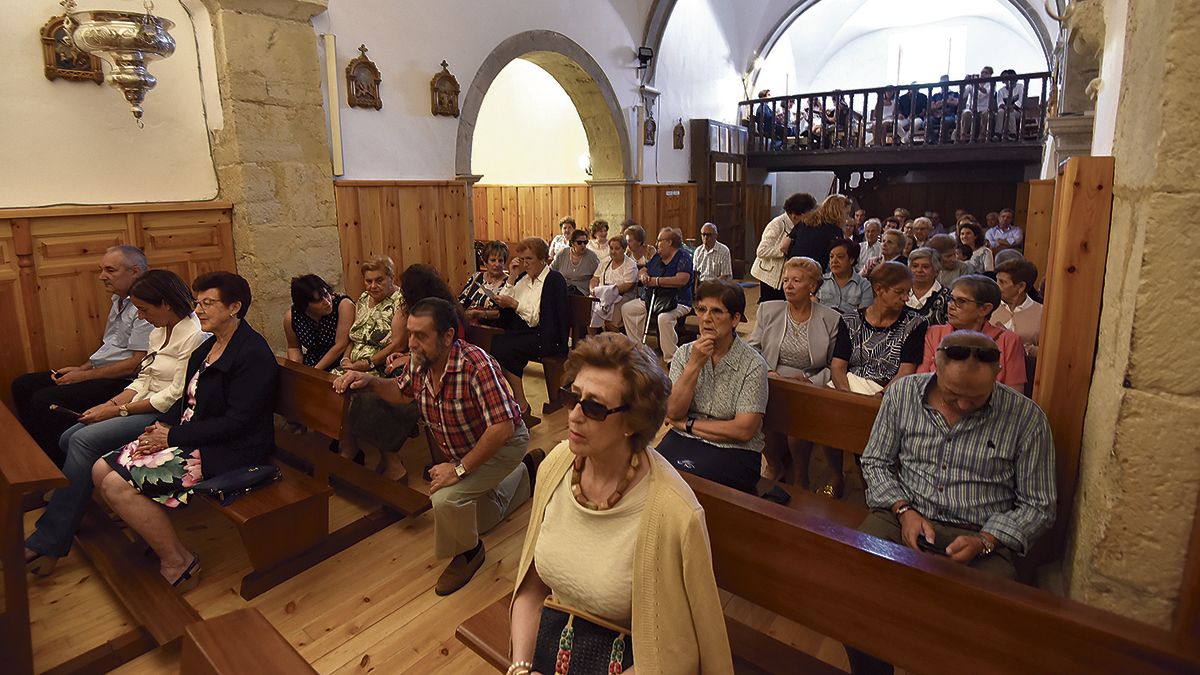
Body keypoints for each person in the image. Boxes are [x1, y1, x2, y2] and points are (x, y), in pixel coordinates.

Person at [508, 333, 732, 675]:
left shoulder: (674, 513)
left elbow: (674, 651)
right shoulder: (557, 464)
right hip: (553, 642)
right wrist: (521, 668)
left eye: (595, 407)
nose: (575, 416)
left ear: (634, 421)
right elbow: (531, 587)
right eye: (573, 397)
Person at [847, 331, 1056, 675]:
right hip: (904, 514)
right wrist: (903, 510)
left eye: (976, 399)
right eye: (953, 395)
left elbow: (1039, 505)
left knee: (978, 628)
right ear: (936, 369)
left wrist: (986, 540)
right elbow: (876, 462)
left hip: (981, 534)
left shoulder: (1026, 419)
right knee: (854, 591)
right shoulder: (903, 394)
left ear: (998, 374)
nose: (962, 406)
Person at [334, 298, 536, 596]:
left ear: (448, 336)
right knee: (480, 517)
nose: (412, 343)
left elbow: (502, 428)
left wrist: (458, 470)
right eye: (411, 334)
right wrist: (370, 381)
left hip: (504, 444)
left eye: (421, 335)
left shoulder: (477, 366)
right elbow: (403, 393)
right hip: (471, 445)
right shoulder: (421, 361)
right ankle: (528, 473)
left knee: (446, 499)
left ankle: (469, 553)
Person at [91, 272, 278, 590]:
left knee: (117, 486)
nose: (199, 309)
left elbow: (238, 424)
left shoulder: (252, 354)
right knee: (100, 469)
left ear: (234, 307)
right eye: (197, 302)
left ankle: (179, 561)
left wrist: (171, 437)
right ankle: (154, 533)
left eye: (208, 303)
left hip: (231, 450)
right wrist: (164, 428)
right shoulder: (207, 349)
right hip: (193, 438)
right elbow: (190, 403)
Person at [23, 270, 207, 576]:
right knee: (69, 436)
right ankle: (80, 499)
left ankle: (50, 538)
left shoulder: (196, 336)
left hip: (168, 414)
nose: (143, 317)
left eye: (146, 310)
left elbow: (175, 393)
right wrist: (110, 404)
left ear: (166, 304)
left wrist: (120, 412)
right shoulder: (159, 331)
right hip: (143, 402)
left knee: (82, 441)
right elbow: (144, 377)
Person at [11, 245, 152, 464]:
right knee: (23, 384)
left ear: (134, 271)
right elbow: (109, 347)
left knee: (44, 400)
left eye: (110, 270)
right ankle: (39, 463)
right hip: (99, 372)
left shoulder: (146, 305)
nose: (101, 277)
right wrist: (82, 369)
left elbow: (135, 363)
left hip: (123, 381)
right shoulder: (119, 299)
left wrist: (83, 377)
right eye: (101, 269)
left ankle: (57, 467)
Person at [658, 281, 768, 496]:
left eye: (717, 311)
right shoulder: (684, 353)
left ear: (735, 319)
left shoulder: (752, 364)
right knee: (651, 471)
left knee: (687, 484)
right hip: (685, 441)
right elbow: (673, 412)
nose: (706, 318)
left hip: (735, 451)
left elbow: (743, 430)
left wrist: (687, 424)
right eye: (701, 309)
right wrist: (694, 365)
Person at [747, 258, 847, 490]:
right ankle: (774, 464)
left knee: (797, 426)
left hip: (810, 384)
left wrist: (809, 381)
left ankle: (801, 476)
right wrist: (768, 372)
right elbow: (752, 349)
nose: (788, 286)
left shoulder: (831, 319)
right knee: (756, 415)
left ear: (812, 286)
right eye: (785, 280)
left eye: (796, 281)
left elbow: (835, 363)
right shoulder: (768, 310)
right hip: (772, 379)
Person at [493, 237, 570, 425]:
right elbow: (503, 302)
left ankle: (521, 404)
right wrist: (511, 276)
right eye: (522, 259)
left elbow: (537, 318)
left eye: (529, 259)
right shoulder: (523, 278)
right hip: (526, 332)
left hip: (547, 336)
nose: (524, 264)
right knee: (494, 344)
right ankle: (518, 404)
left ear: (543, 259)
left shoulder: (554, 280)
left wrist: (514, 304)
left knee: (503, 348)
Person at [917, 275, 1027, 391]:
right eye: (951, 299)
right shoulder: (934, 333)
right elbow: (921, 383)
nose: (951, 306)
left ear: (985, 309)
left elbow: (1014, 394)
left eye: (961, 301)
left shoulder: (1009, 341)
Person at [622, 228, 695, 363]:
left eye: (659, 241)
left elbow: (682, 280)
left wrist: (657, 281)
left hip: (678, 301)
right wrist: (643, 274)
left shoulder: (683, 257)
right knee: (628, 309)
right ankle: (639, 349)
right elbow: (645, 269)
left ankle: (671, 358)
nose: (656, 244)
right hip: (653, 299)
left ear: (669, 242)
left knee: (664, 318)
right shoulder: (657, 257)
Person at [336, 256, 406, 375]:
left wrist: (367, 364)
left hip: (378, 367)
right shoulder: (364, 298)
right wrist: (345, 358)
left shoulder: (401, 301)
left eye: (379, 281)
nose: (373, 286)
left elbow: (398, 345)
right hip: (352, 365)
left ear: (392, 278)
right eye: (368, 281)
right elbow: (355, 336)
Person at [751, 192, 816, 303]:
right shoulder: (777, 224)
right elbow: (761, 251)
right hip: (770, 277)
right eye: (806, 215)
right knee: (772, 308)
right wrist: (782, 250)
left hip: (785, 276)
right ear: (795, 215)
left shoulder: (801, 226)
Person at [284, 274, 354, 371]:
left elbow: (341, 345)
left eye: (326, 294)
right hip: (311, 362)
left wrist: (314, 371)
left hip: (340, 362)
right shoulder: (292, 317)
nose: (326, 302)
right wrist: (297, 370)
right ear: (305, 305)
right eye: (318, 300)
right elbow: (293, 347)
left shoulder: (343, 305)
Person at [992, 259, 1043, 357]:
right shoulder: (988, 306)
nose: (996, 286)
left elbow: (1049, 352)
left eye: (1002, 282)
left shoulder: (1042, 313)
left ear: (1021, 287)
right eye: (997, 280)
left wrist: (1021, 346)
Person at [786, 193, 850, 271]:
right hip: (813, 272)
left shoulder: (804, 222)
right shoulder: (835, 231)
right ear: (839, 213)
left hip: (792, 268)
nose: (847, 218)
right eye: (847, 213)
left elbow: (784, 245)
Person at [589, 235, 638, 332]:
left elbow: (628, 285)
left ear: (624, 249)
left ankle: (617, 344)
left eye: (617, 248)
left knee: (611, 323)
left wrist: (609, 292)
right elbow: (594, 279)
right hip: (602, 294)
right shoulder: (605, 262)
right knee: (588, 313)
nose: (613, 251)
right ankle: (594, 343)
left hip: (622, 295)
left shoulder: (630, 265)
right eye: (611, 248)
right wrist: (592, 290)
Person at [817, 238, 874, 313]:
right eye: (831, 257)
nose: (834, 261)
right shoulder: (821, 281)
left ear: (851, 260)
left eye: (840, 257)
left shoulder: (864, 286)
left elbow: (865, 316)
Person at [459, 240, 509, 321]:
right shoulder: (477, 277)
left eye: (500, 261)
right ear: (485, 262)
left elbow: (505, 314)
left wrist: (479, 313)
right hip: (469, 324)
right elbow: (461, 300)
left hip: (492, 328)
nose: (497, 264)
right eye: (493, 260)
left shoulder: (508, 283)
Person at [906, 247, 951, 325]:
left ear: (936, 271)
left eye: (925, 267)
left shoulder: (948, 297)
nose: (919, 270)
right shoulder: (898, 293)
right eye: (915, 266)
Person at [550, 228, 600, 295]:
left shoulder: (592, 257)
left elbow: (598, 275)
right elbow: (551, 271)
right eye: (579, 243)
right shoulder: (563, 253)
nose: (583, 245)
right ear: (572, 243)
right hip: (563, 290)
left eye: (585, 242)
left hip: (582, 293)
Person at [996, 69, 1026, 138]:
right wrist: (1005, 107)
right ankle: (997, 133)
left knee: (1010, 112)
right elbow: (1000, 103)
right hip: (1004, 109)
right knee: (1000, 112)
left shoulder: (1020, 87)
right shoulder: (1001, 91)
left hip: (1017, 111)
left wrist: (1012, 107)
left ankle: (1012, 134)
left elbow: (1020, 101)